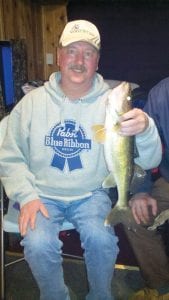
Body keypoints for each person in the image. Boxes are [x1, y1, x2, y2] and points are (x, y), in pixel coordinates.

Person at [0, 20, 162, 300]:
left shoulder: (113, 104)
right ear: (60, 56)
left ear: (97, 61)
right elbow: (9, 155)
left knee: (102, 240)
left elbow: (147, 160)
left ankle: (100, 295)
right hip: (41, 193)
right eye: (72, 51)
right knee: (38, 244)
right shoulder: (31, 104)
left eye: (88, 53)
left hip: (91, 195)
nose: (79, 60)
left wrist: (146, 129)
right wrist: (25, 195)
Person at [123, 77, 169, 300]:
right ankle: (161, 288)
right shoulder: (161, 93)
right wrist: (141, 190)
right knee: (134, 216)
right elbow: (144, 147)